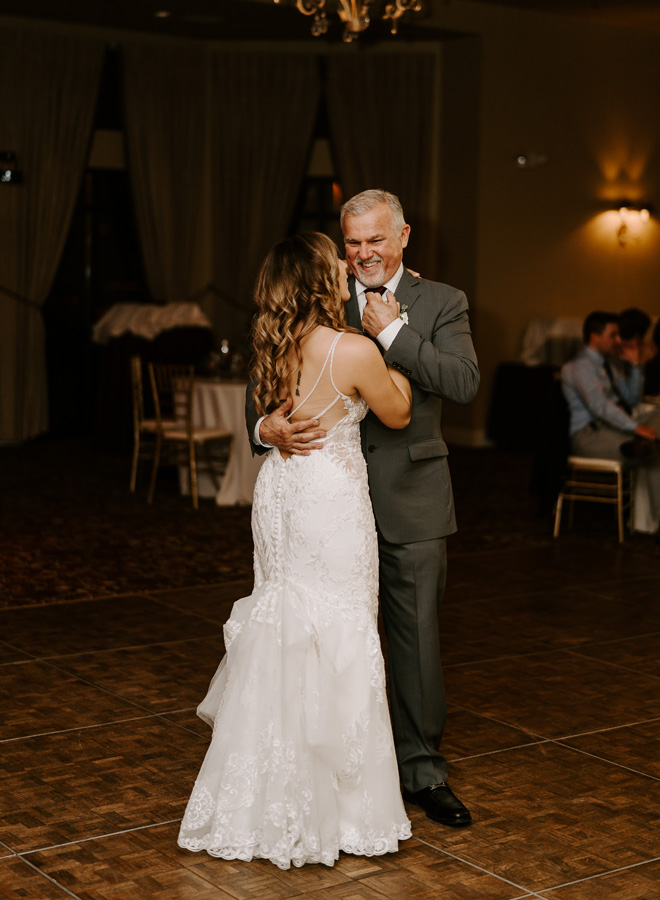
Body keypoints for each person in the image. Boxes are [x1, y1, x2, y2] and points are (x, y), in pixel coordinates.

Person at [178, 232, 413, 869]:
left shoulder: (272, 343)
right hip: (328, 498)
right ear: (316, 278)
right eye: (335, 260)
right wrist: (394, 349)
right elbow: (397, 412)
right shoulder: (355, 350)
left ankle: (261, 801)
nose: (346, 265)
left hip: (281, 491)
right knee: (338, 630)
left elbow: (262, 412)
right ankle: (338, 811)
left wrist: (266, 426)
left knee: (284, 625)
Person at [247, 189, 480, 828]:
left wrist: (396, 334)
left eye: (376, 240)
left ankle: (421, 770)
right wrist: (266, 428)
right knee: (319, 634)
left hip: (410, 496)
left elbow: (462, 382)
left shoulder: (442, 301)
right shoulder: (320, 293)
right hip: (323, 502)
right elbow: (262, 382)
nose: (363, 254)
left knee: (411, 640)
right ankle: (328, 769)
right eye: (352, 242)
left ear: (404, 235)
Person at [561, 311, 660, 547]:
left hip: (617, 431)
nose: (618, 340)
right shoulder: (579, 367)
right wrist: (636, 427)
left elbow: (632, 399)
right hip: (590, 436)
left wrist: (635, 366)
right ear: (595, 336)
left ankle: (642, 446)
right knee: (657, 454)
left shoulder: (608, 365)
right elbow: (600, 407)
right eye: (613, 335)